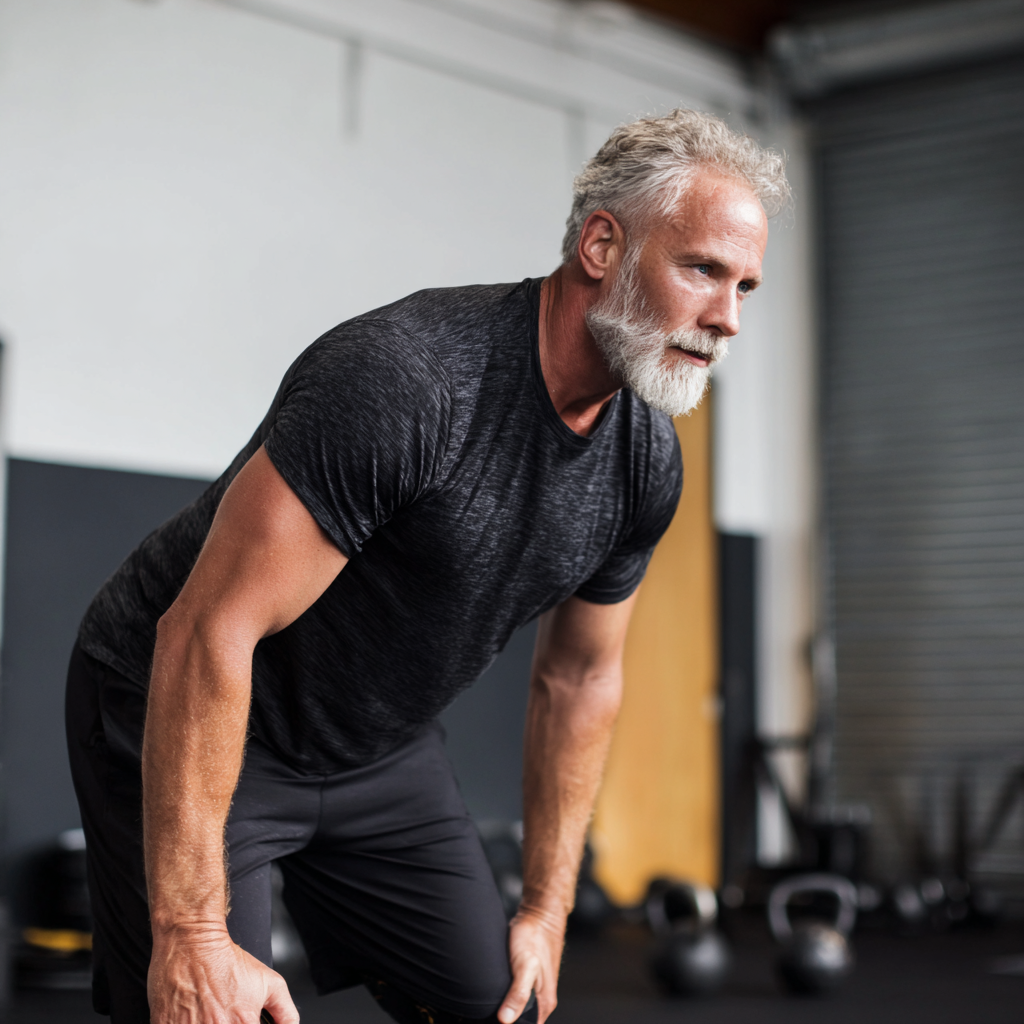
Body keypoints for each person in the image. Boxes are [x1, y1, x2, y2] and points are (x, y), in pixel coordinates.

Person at [66, 108, 788, 1024]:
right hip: (187, 702)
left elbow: (580, 678)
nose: (726, 318)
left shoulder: (644, 459)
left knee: (504, 1005)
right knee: (201, 1009)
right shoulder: (410, 379)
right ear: (602, 246)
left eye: (746, 288)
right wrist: (194, 935)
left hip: (378, 751)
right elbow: (208, 629)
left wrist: (545, 908)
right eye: (702, 269)